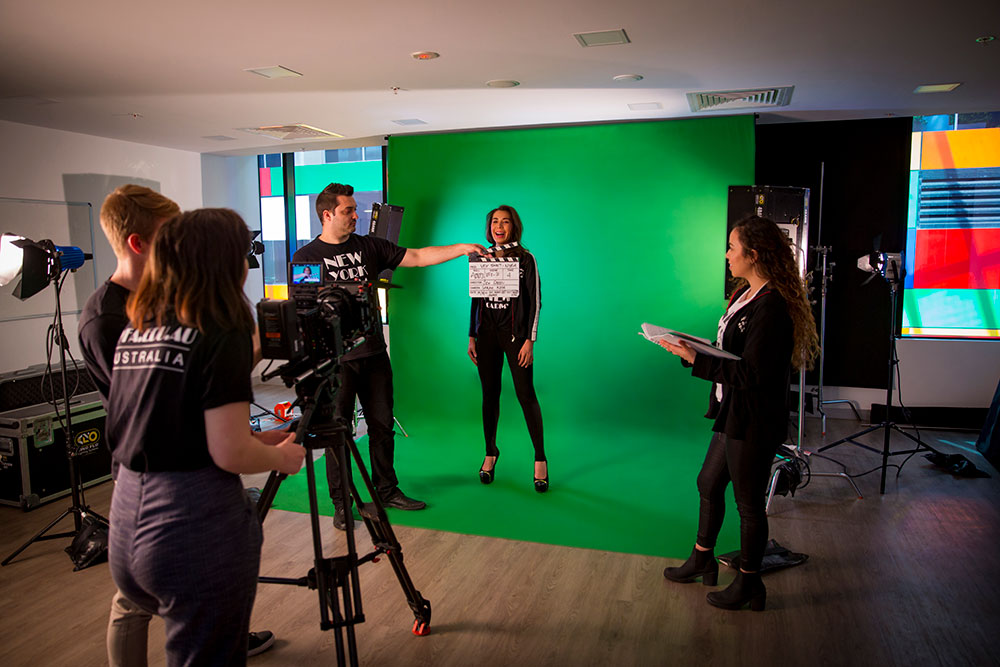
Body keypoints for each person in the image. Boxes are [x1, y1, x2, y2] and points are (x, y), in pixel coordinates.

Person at [78, 186, 278, 664]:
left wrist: (247, 434)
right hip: (179, 504)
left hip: (135, 508)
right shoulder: (112, 318)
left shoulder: (143, 317)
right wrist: (277, 456)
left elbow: (191, 397)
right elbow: (166, 412)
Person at [292, 183, 485, 530]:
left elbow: (417, 256)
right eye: (348, 210)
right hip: (336, 361)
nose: (355, 215)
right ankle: (342, 502)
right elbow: (303, 311)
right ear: (327, 214)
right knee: (340, 431)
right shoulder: (306, 257)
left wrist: (461, 248)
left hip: (374, 353)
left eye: (354, 209)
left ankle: (387, 490)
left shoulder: (369, 246)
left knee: (382, 425)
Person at [659, 216, 819, 611]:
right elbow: (730, 351)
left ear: (754, 254)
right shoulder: (745, 295)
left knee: (748, 503)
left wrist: (698, 359)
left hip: (754, 418)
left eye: (732, 247)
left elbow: (752, 372)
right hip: (733, 410)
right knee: (708, 483)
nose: (727, 254)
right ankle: (702, 559)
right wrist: (690, 351)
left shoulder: (773, 308)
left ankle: (750, 584)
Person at [468, 205, 547, 491]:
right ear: (489, 227)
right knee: (490, 395)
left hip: (515, 337)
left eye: (505, 222)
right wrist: (471, 336)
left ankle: (540, 458)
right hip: (486, 335)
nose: (498, 226)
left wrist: (530, 340)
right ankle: (490, 452)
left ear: (514, 226)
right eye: (494, 222)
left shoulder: (526, 259)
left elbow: (535, 301)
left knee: (526, 394)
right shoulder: (481, 257)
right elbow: (476, 300)